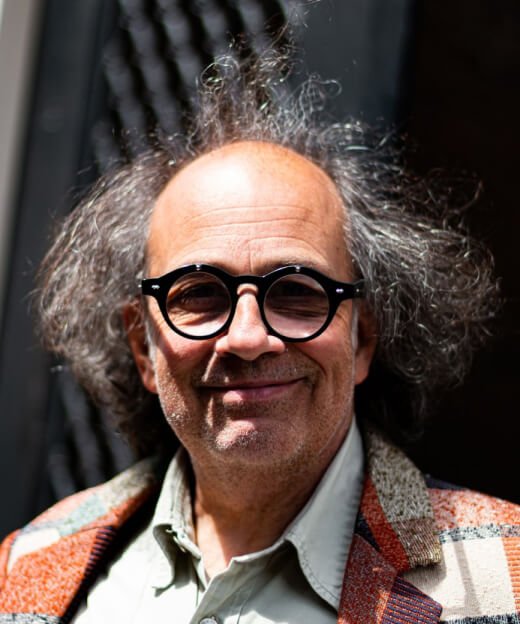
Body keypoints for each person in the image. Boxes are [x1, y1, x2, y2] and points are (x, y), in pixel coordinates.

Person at [0, 51, 518, 624]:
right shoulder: (27, 569)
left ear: (362, 339)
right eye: (200, 294)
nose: (248, 337)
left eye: (296, 292)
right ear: (143, 347)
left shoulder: (506, 582)